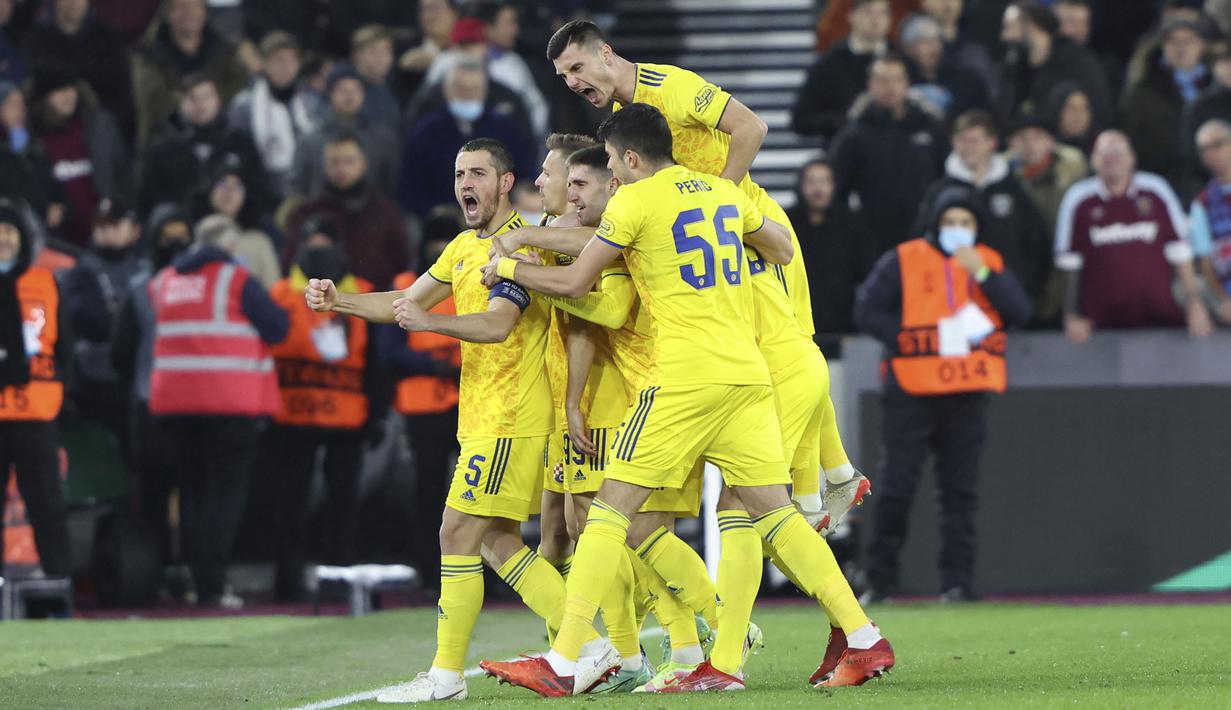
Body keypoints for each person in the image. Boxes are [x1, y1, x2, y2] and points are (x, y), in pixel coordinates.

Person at [478, 103, 890, 695]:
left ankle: (568, 659)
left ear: (630, 157)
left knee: (607, 512)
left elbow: (574, 281)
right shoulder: (726, 192)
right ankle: (862, 635)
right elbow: (780, 249)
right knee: (775, 516)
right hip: (747, 377)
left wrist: (510, 266)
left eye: (614, 166)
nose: (612, 178)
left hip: (683, 378)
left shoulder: (636, 200)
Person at [306, 139, 584, 704]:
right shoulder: (463, 246)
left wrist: (429, 324)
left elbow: (499, 325)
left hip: (510, 415)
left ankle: (446, 675)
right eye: (460, 174)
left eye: (478, 173)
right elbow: (405, 300)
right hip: (483, 415)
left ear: (506, 183)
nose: (465, 185)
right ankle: (594, 646)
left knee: (455, 532)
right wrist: (342, 301)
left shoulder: (519, 251)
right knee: (499, 542)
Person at [854, 185, 1033, 603]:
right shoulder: (905, 258)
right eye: (950, 221)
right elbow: (866, 309)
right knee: (897, 487)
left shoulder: (987, 262)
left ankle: (958, 584)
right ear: (936, 222)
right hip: (911, 392)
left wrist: (981, 272)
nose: (957, 229)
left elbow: (1019, 312)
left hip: (966, 391)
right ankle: (879, 581)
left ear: (978, 227)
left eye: (966, 223)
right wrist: (899, 339)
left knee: (960, 494)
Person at [148, 214, 289, 607]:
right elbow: (278, 328)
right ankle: (212, 584)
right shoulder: (235, 279)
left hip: (176, 407)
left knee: (190, 493)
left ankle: (195, 582)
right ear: (230, 247)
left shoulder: (164, 282)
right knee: (223, 498)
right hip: (229, 405)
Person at [266, 220, 382, 600]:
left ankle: (339, 583)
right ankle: (288, 582)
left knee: (343, 508)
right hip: (291, 419)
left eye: (325, 243)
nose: (319, 252)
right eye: (311, 243)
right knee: (288, 508)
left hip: (347, 421)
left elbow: (377, 363)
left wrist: (376, 414)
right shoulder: (280, 294)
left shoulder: (363, 293)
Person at [1055, 130, 1213, 343]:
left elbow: (1180, 253)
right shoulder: (1078, 199)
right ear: (1093, 160)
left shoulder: (1156, 191)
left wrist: (1195, 304)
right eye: (1104, 153)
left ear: (1132, 157)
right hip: (1099, 328)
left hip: (1162, 319)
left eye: (1118, 151)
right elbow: (1069, 266)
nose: (1112, 158)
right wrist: (1071, 315)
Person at [380, 208, 462, 591]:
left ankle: (480, 575)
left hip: (468, 403)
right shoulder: (406, 285)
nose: (440, 248)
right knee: (428, 493)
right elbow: (390, 351)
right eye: (435, 240)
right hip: (424, 408)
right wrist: (436, 365)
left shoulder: (471, 283)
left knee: (476, 499)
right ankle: (430, 572)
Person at [110, 203, 193, 571]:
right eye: (167, 234)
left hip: (177, 403)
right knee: (158, 493)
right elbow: (122, 349)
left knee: (183, 492)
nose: (175, 243)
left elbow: (121, 352)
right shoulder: (142, 287)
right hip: (159, 403)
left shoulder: (142, 286)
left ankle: (178, 569)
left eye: (180, 234)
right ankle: (160, 569)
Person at [0, 199, 71, 580]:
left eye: (10, 232)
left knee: (47, 507)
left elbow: (64, 348)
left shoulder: (44, 282)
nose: (3, 240)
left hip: (35, 415)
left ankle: (61, 591)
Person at [916, 110, 1052, 305]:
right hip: (951, 301)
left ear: (992, 143)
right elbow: (922, 243)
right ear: (953, 143)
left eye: (975, 140)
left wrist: (1023, 291)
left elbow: (1037, 244)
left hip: (1004, 302)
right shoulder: (939, 191)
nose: (968, 147)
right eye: (962, 140)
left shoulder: (1012, 189)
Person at [829, 53, 949, 257]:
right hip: (873, 240)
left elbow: (946, 177)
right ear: (870, 85)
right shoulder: (855, 134)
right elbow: (836, 187)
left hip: (927, 237)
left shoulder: (930, 127)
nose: (890, 87)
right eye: (883, 80)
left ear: (907, 83)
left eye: (896, 79)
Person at [397, 58, 535, 220]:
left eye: (475, 89)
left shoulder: (504, 127)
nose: (469, 95)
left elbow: (524, 171)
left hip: (498, 214)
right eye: (462, 89)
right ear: (447, 90)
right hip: (442, 219)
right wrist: (439, 212)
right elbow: (409, 187)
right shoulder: (427, 131)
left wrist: (517, 197)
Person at [60, 198, 149, 446]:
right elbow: (87, 321)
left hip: (144, 375)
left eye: (114, 225)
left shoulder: (147, 268)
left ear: (135, 230)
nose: (106, 231)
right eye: (100, 226)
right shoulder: (82, 272)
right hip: (100, 377)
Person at [284, 131, 410, 289]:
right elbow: (290, 266)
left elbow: (401, 265)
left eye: (349, 161)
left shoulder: (386, 213)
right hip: (320, 306)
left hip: (375, 305)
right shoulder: (307, 214)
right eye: (334, 162)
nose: (341, 168)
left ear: (364, 163)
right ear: (325, 166)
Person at [139, 74, 271, 223]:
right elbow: (151, 200)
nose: (201, 104)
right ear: (180, 102)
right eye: (192, 98)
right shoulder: (163, 149)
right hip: (183, 231)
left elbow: (259, 190)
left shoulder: (240, 142)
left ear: (218, 100)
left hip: (237, 228)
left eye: (206, 96)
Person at [28, 63, 129, 248]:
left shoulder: (98, 127)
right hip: (61, 243)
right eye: (59, 91)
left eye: (70, 88)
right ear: (44, 98)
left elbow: (123, 175)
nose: (68, 95)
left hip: (108, 240)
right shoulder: (33, 140)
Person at [130, 0, 248, 151]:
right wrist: (195, 103)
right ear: (167, 14)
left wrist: (209, 102)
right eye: (181, 7)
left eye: (195, 6)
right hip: (167, 147)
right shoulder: (147, 54)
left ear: (205, 11)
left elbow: (239, 84)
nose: (189, 13)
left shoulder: (222, 47)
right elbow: (154, 100)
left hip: (220, 142)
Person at [424, 5, 550, 141]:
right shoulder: (443, 64)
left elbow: (536, 109)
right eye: (464, 45)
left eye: (475, 44)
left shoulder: (508, 68)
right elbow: (426, 107)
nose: (470, 51)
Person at [1120, 17, 1210, 202]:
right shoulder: (1142, 93)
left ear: (1201, 45)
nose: (1181, 47)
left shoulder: (1218, 88)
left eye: (1188, 41)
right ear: (1163, 46)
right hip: (1163, 187)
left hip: (1216, 184)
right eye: (1174, 41)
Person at [786, 159, 873, 342]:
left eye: (824, 181)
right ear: (800, 185)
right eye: (811, 181)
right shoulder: (786, 222)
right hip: (796, 325)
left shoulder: (853, 223)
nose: (818, 189)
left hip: (844, 326)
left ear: (834, 185)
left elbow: (866, 273)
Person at [228, 32, 318, 198]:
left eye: (292, 60)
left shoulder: (311, 101)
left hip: (309, 188)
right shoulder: (244, 106)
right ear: (264, 63)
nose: (286, 66)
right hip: (263, 191)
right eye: (279, 60)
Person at [997, 1, 1113, 130]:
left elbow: (1098, 109)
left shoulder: (1077, 63)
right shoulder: (1016, 67)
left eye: (1010, 27)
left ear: (1031, 26)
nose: (1004, 37)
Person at [290, 67, 400, 198]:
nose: (349, 96)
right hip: (321, 211)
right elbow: (298, 186)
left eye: (355, 90)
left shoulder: (383, 139)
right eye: (343, 90)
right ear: (330, 94)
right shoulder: (310, 141)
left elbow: (391, 185)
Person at [791, 0, 892, 140]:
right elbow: (800, 121)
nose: (876, 19)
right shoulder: (829, 65)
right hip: (843, 153)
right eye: (868, 11)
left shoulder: (903, 59)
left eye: (883, 13)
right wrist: (842, 119)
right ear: (851, 16)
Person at [25, 0, 130, 123]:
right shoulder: (37, 36)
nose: (75, 2)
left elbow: (117, 79)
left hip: (100, 116)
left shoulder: (105, 35)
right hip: (50, 121)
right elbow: (37, 77)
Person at [899, 13, 992, 125]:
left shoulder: (967, 81)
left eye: (936, 40)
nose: (933, 48)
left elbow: (987, 119)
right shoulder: (898, 82)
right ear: (908, 48)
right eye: (924, 41)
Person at [1186, 118, 1231, 325]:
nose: (1210, 154)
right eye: (1203, 149)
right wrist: (1223, 300)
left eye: (1217, 145)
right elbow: (1205, 262)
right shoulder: (1201, 204)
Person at [344, 24, 401, 132]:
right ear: (356, 56)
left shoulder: (396, 89)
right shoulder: (344, 88)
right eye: (373, 51)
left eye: (386, 51)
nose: (381, 58)